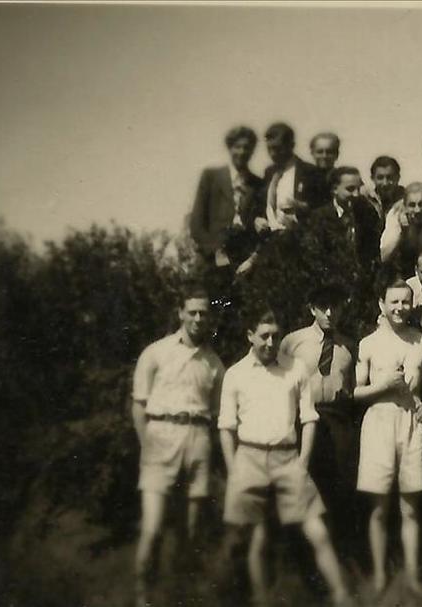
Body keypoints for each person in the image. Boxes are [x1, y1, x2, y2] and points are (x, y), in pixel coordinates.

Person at [219, 309, 351, 607]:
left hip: (288, 459)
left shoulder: (295, 369)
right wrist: (233, 470)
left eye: (275, 336)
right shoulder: (235, 374)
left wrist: (302, 462)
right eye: (264, 336)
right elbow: (226, 426)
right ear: (250, 336)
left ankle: (342, 596)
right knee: (256, 536)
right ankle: (260, 598)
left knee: (317, 531)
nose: (270, 342)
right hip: (249, 458)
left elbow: (309, 419)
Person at [131, 285, 225, 606]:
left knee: (192, 529)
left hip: (198, 438)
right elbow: (138, 406)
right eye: (193, 312)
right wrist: (146, 446)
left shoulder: (214, 363)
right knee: (153, 526)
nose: (198, 318)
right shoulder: (155, 353)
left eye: (204, 313)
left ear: (209, 317)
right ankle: (142, 597)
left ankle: (178, 594)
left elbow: (216, 415)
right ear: (181, 313)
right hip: (161, 436)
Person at [354, 279, 422, 595]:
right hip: (378, 422)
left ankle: (412, 577)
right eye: (394, 302)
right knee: (378, 507)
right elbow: (356, 392)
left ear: (412, 304)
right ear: (382, 304)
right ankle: (379, 576)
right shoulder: (368, 344)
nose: (400, 308)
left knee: (410, 507)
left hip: (410, 424)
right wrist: (384, 385)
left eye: (405, 301)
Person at [278, 285, 360, 562]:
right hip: (304, 419)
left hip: (337, 419)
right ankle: (298, 557)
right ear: (312, 308)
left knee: (339, 485)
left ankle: (338, 554)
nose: (329, 313)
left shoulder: (349, 346)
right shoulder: (293, 342)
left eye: (335, 306)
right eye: (323, 307)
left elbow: (354, 388)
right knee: (302, 483)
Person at [188, 126, 264, 270]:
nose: (242, 152)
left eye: (247, 147)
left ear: (252, 150)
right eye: (237, 147)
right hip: (213, 261)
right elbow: (196, 224)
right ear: (229, 148)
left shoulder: (258, 184)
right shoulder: (211, 177)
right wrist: (215, 251)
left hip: (245, 262)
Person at [307, 166, 383, 277]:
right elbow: (315, 256)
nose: (356, 194)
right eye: (350, 189)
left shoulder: (366, 213)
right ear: (335, 189)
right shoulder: (319, 217)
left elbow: (373, 251)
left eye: (359, 188)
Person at [259, 122, 330, 233]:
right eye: (269, 149)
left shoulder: (310, 172)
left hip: (299, 235)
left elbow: (324, 207)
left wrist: (302, 206)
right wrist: (258, 220)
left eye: (277, 149)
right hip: (270, 236)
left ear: (291, 145)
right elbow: (262, 204)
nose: (273, 154)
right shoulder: (269, 172)